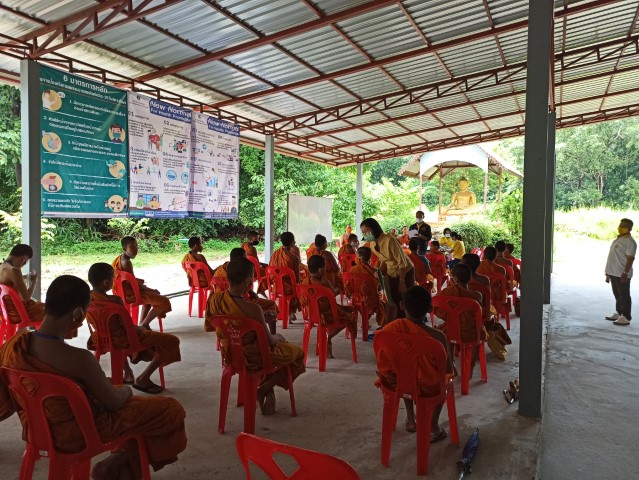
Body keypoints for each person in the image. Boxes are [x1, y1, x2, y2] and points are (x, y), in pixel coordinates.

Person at [0, 275, 187, 479]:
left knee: (127, 406)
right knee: (169, 410)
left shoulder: (14, 346)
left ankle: (120, 465)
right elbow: (114, 403)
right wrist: (126, 390)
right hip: (80, 434)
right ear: (78, 314)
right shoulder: (80, 359)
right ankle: (114, 463)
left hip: (36, 431)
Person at [205, 257, 305, 415]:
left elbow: (211, 325)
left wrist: (253, 324)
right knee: (298, 354)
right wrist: (278, 337)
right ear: (248, 281)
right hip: (254, 356)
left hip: (230, 354)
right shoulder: (254, 309)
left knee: (272, 349)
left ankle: (267, 391)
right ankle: (264, 389)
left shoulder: (214, 300)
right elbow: (269, 341)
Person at [87, 263, 181, 394]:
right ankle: (143, 378)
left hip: (100, 339)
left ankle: (128, 374)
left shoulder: (87, 299)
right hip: (124, 340)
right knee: (172, 341)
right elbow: (127, 327)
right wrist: (141, 329)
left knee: (115, 335)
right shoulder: (115, 301)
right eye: (113, 279)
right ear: (106, 283)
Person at [375, 285, 453, 439]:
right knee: (447, 381)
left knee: (404, 370)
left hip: (399, 382)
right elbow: (447, 369)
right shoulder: (438, 337)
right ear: (430, 309)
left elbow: (383, 361)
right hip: (428, 388)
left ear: (402, 306)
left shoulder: (388, 331)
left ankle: (411, 420)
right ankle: (433, 425)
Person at [434, 263, 487, 376]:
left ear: (456, 279)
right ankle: (471, 366)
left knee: (447, 332)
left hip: (452, 331)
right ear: (470, 278)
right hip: (472, 333)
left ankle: (451, 361)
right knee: (480, 333)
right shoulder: (477, 295)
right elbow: (480, 315)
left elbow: (437, 308)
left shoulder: (447, 293)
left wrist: (448, 316)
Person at [300, 255, 357, 358]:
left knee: (344, 309)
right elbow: (332, 295)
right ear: (321, 270)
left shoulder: (304, 282)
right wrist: (337, 289)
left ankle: (326, 340)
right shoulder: (325, 283)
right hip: (327, 314)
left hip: (311, 315)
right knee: (350, 318)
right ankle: (328, 337)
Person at [213, 248, 279, 333]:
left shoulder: (220, 270)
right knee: (270, 307)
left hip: (221, 305)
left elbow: (209, 326)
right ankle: (272, 334)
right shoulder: (241, 271)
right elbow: (244, 295)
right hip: (240, 305)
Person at [361, 218, 414, 321]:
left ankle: (406, 324)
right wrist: (379, 272)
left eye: (366, 231)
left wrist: (402, 282)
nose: (365, 234)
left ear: (374, 229)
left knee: (404, 298)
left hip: (405, 271)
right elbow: (384, 260)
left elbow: (402, 262)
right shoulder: (372, 245)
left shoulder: (389, 240)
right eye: (363, 232)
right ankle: (394, 324)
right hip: (391, 271)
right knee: (392, 299)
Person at [112, 237, 172, 329]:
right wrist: (152, 290)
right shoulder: (126, 263)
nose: (136, 249)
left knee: (149, 301)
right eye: (132, 247)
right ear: (124, 248)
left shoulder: (120, 259)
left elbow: (132, 282)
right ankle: (144, 324)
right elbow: (134, 285)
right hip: (131, 295)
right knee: (164, 301)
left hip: (123, 292)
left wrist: (149, 290)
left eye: (136, 246)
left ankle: (142, 324)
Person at [0, 244, 43, 325]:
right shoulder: (14, 270)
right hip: (17, 313)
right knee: (55, 312)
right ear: (23, 259)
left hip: (5, 312)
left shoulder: (2, 267)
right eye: (25, 262)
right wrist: (34, 281)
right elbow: (26, 298)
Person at [605, 218, 637, 326]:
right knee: (617, 295)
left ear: (629, 228)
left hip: (622, 273)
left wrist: (626, 273)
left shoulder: (630, 242)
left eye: (623, 226)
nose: (620, 227)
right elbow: (612, 257)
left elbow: (631, 258)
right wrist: (607, 272)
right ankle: (619, 313)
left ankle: (626, 317)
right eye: (620, 225)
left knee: (624, 295)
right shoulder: (618, 239)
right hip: (613, 272)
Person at [346, 246, 386, 328]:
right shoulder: (375, 271)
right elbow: (380, 288)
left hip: (356, 297)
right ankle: (366, 320)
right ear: (370, 257)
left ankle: (365, 320)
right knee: (382, 303)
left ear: (360, 258)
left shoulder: (352, 270)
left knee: (362, 302)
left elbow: (348, 285)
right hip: (371, 298)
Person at [269, 232, 302, 322]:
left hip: (276, 286)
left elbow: (270, 270)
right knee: (300, 288)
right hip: (289, 288)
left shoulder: (275, 254)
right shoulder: (294, 258)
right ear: (292, 242)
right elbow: (297, 278)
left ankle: (289, 312)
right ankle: (291, 311)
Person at [461, 253, 492, 324]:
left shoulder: (455, 280)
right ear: (478, 265)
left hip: (460, 312)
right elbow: (487, 299)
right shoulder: (484, 279)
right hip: (480, 311)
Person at [241, 231, 269, 296]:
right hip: (253, 271)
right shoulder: (252, 249)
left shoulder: (244, 245)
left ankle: (261, 289)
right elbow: (255, 262)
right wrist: (263, 264)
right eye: (256, 239)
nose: (257, 240)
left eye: (258, 238)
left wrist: (262, 264)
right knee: (268, 271)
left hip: (244, 269)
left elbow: (254, 260)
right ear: (250, 239)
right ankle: (261, 289)